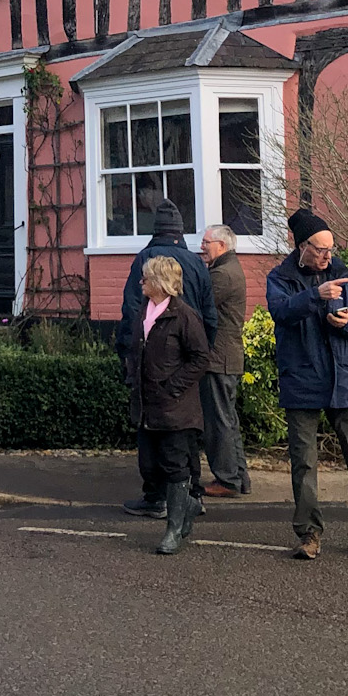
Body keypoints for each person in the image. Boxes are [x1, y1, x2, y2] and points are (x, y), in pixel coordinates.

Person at [265, 207, 348, 561]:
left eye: (331, 249)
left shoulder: (343, 275)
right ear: (301, 246)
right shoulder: (280, 278)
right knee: (304, 463)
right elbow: (281, 312)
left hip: (344, 382)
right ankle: (309, 535)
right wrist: (315, 296)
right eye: (320, 249)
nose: (327, 255)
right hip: (302, 382)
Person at [115, 191, 217, 519]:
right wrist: (201, 351)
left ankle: (157, 496)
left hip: (155, 361)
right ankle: (193, 493)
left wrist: (127, 356)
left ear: (156, 230)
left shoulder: (145, 261)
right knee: (186, 431)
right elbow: (211, 316)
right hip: (189, 360)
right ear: (180, 231)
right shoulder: (197, 265)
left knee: (152, 432)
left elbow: (132, 313)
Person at [126, 253, 212, 554]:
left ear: (161, 283)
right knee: (150, 465)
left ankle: (173, 530)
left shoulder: (185, 316)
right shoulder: (144, 310)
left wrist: (173, 386)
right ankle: (188, 504)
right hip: (147, 405)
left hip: (175, 409)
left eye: (147, 278)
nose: (142, 282)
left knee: (175, 466)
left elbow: (201, 358)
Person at [198, 223, 251, 497]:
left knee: (218, 422)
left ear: (222, 245)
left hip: (219, 359)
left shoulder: (223, 275)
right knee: (228, 419)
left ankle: (227, 480)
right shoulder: (228, 269)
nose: (202, 247)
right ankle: (239, 477)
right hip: (226, 357)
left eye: (206, 242)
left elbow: (199, 304)